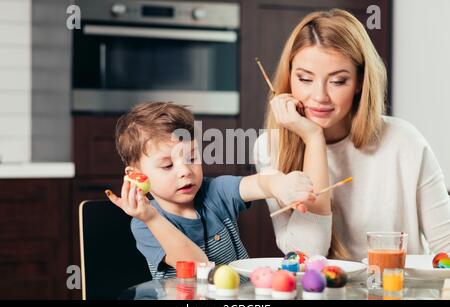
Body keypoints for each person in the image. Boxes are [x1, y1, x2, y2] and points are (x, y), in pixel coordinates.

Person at [253, 9, 450, 261]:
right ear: (289, 77)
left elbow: (447, 246)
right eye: (304, 78)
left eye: (337, 81)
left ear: (359, 82)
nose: (319, 96)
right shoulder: (270, 147)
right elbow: (308, 252)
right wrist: (314, 139)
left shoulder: (404, 141)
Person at [105, 101, 321, 279]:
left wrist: (279, 184)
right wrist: (151, 218)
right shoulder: (146, 223)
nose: (185, 171)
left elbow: (257, 184)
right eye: (168, 165)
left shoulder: (215, 191)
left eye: (192, 157)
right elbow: (198, 264)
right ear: (136, 175)